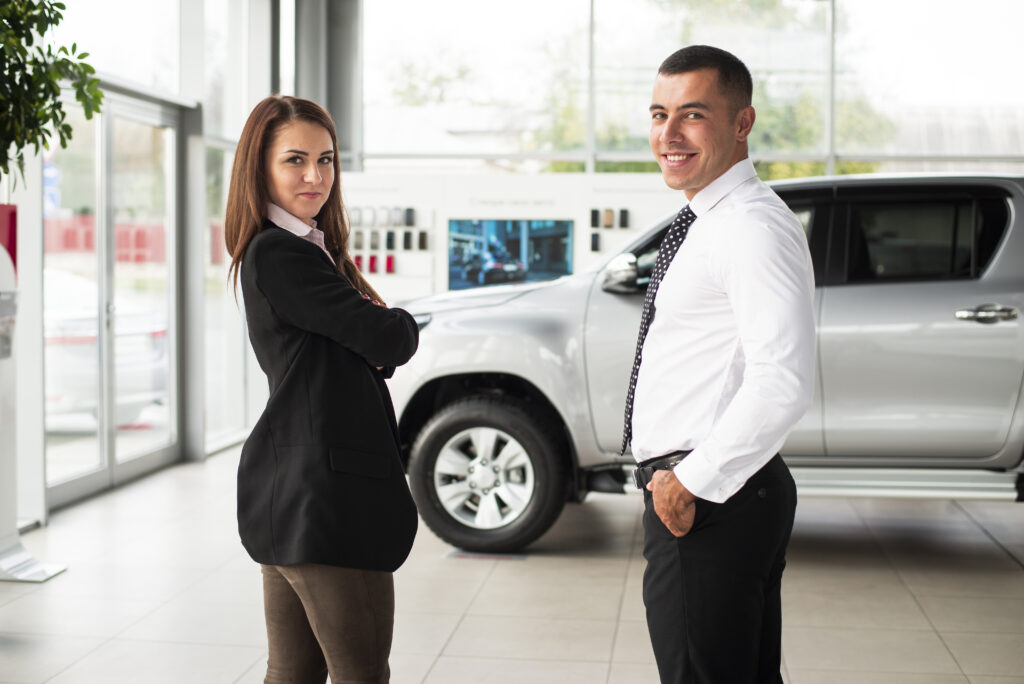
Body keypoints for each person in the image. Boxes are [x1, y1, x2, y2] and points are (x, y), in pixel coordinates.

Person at [622, 46, 815, 683]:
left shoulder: (749, 227)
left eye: (692, 115)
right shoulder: (710, 221)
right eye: (658, 114)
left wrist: (691, 482)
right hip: (718, 490)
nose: (668, 135)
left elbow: (781, 380)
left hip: (711, 494)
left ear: (741, 124)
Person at [224, 95, 420, 684]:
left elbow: (350, 345)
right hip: (324, 501)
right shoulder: (282, 253)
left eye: (326, 159)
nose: (316, 176)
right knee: (361, 674)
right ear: (260, 167)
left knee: (293, 674)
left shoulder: (303, 249)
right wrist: (399, 323)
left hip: (296, 498)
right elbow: (389, 340)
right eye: (295, 160)